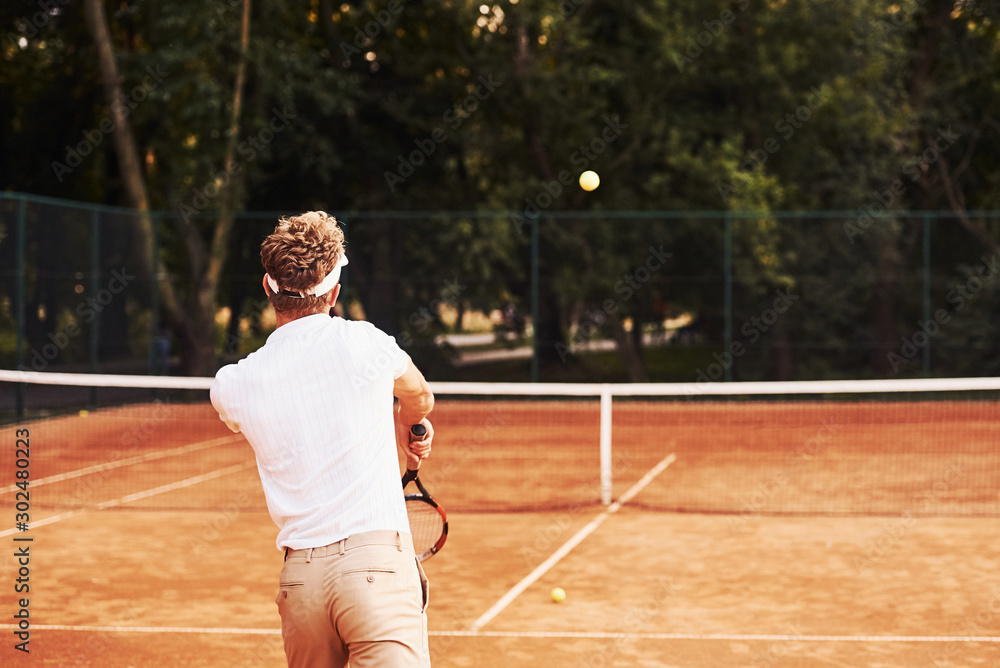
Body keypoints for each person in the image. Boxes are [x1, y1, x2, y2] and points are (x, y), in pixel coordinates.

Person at [210, 211, 434, 667]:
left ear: (268, 288)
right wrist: (411, 425)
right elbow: (420, 396)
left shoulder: (231, 384)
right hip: (376, 572)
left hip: (301, 585)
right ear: (333, 292)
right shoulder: (367, 344)